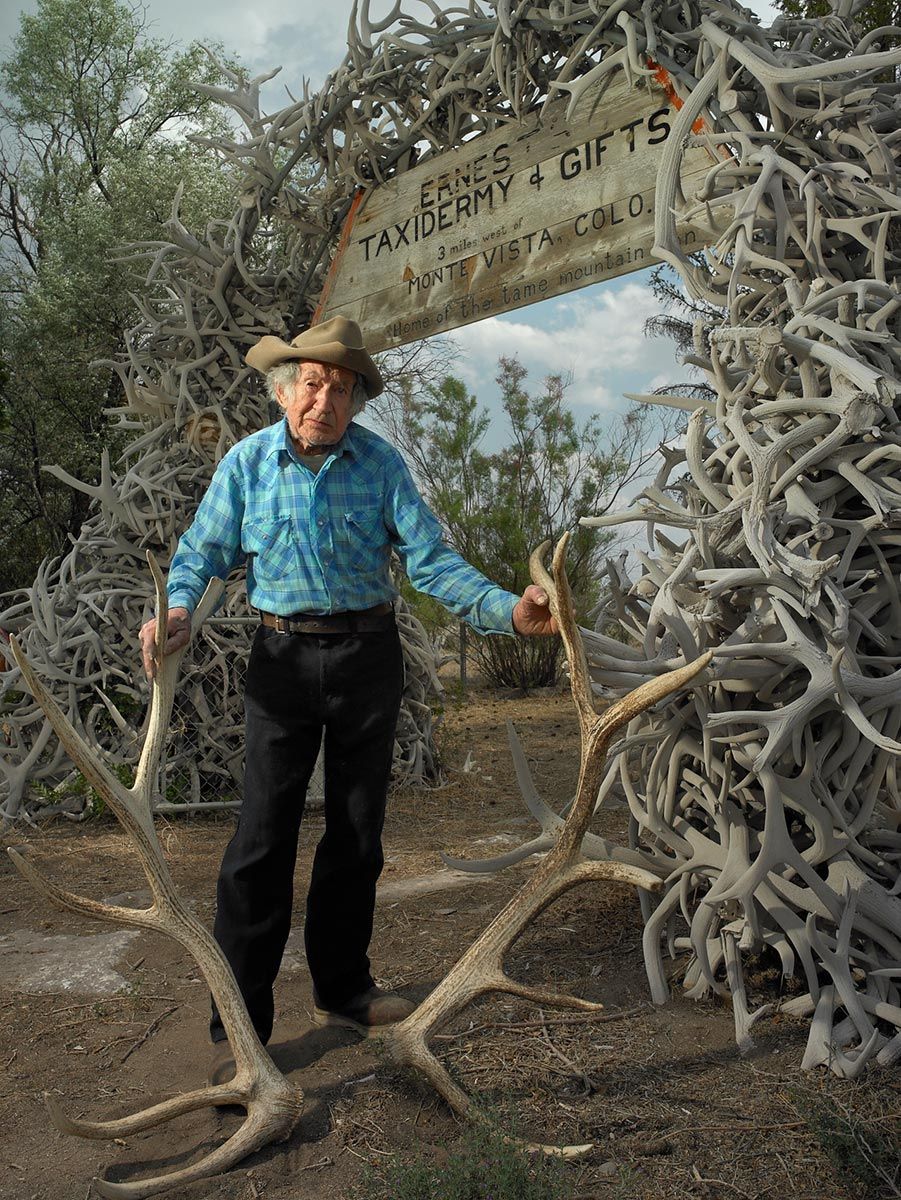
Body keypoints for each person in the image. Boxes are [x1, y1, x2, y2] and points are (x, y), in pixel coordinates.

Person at [139, 317, 557, 1074]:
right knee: (259, 841)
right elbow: (202, 554)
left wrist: (508, 609)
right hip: (281, 660)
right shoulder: (245, 464)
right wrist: (174, 609)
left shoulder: (380, 465)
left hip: (367, 657)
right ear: (281, 391)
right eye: (311, 383)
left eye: (339, 388)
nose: (323, 400)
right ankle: (240, 1021)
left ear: (355, 400)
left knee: (357, 835)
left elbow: (433, 563)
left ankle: (343, 987)